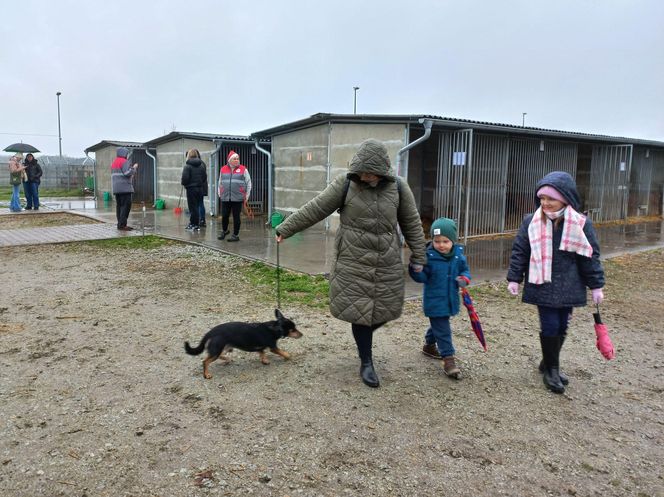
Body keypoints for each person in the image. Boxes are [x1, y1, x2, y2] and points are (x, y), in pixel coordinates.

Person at [275, 139, 426, 388]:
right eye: (361, 170)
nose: (364, 175)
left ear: (381, 169)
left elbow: (411, 223)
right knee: (361, 314)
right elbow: (316, 208)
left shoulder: (398, 187)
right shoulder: (346, 184)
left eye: (369, 171)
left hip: (386, 261)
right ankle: (366, 360)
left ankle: (364, 345)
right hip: (353, 261)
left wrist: (420, 257)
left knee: (387, 310)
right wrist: (286, 228)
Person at [506, 171, 605, 394]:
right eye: (542, 198)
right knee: (550, 325)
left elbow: (590, 256)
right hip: (542, 282)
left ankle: (548, 361)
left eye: (551, 198)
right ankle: (552, 369)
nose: (545, 203)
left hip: (570, 284)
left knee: (563, 326)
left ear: (565, 198)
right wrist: (514, 278)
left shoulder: (581, 223)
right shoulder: (531, 221)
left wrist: (596, 285)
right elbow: (520, 251)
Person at [409, 217, 471, 379]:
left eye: (445, 241)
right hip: (435, 301)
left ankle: (429, 345)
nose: (441, 245)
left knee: (439, 327)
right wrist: (416, 269)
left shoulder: (458, 256)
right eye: (437, 241)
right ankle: (448, 360)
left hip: (450, 300)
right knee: (443, 330)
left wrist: (464, 279)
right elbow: (422, 277)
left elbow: (465, 271)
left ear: (453, 241)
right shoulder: (428, 257)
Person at [217, 151, 251, 242]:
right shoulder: (223, 169)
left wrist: (247, 195)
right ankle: (225, 231)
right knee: (224, 216)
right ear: (229, 160)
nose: (236, 160)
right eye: (234, 159)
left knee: (236, 217)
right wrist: (220, 193)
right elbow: (220, 182)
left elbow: (248, 183)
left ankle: (235, 235)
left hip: (238, 197)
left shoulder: (243, 169)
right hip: (225, 196)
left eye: (237, 158)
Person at [111, 147, 139, 231]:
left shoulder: (114, 162)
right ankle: (122, 225)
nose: (127, 155)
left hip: (117, 189)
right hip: (124, 188)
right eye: (126, 154)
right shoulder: (124, 161)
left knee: (119, 207)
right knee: (125, 206)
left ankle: (120, 224)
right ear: (124, 154)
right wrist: (134, 167)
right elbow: (127, 173)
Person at [181, 148, 208, 231]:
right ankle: (198, 222)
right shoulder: (201, 165)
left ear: (188, 155)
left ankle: (193, 224)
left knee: (193, 208)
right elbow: (204, 177)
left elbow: (185, 179)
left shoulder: (187, 166)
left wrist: (185, 184)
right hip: (200, 188)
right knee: (199, 205)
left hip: (191, 189)